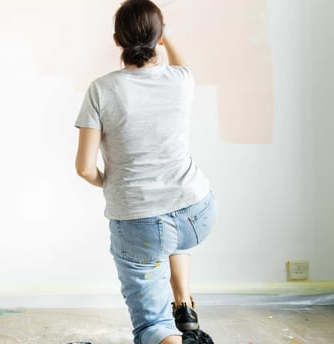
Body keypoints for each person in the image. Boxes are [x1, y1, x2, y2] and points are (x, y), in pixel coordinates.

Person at [74, 1, 218, 343]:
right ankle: (183, 303)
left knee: (152, 326)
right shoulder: (181, 80)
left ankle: (171, 330)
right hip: (197, 214)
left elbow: (84, 168)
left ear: (116, 40)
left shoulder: (101, 90)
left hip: (139, 224)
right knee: (171, 234)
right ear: (160, 36)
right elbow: (181, 64)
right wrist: (164, 33)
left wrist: (110, 183)